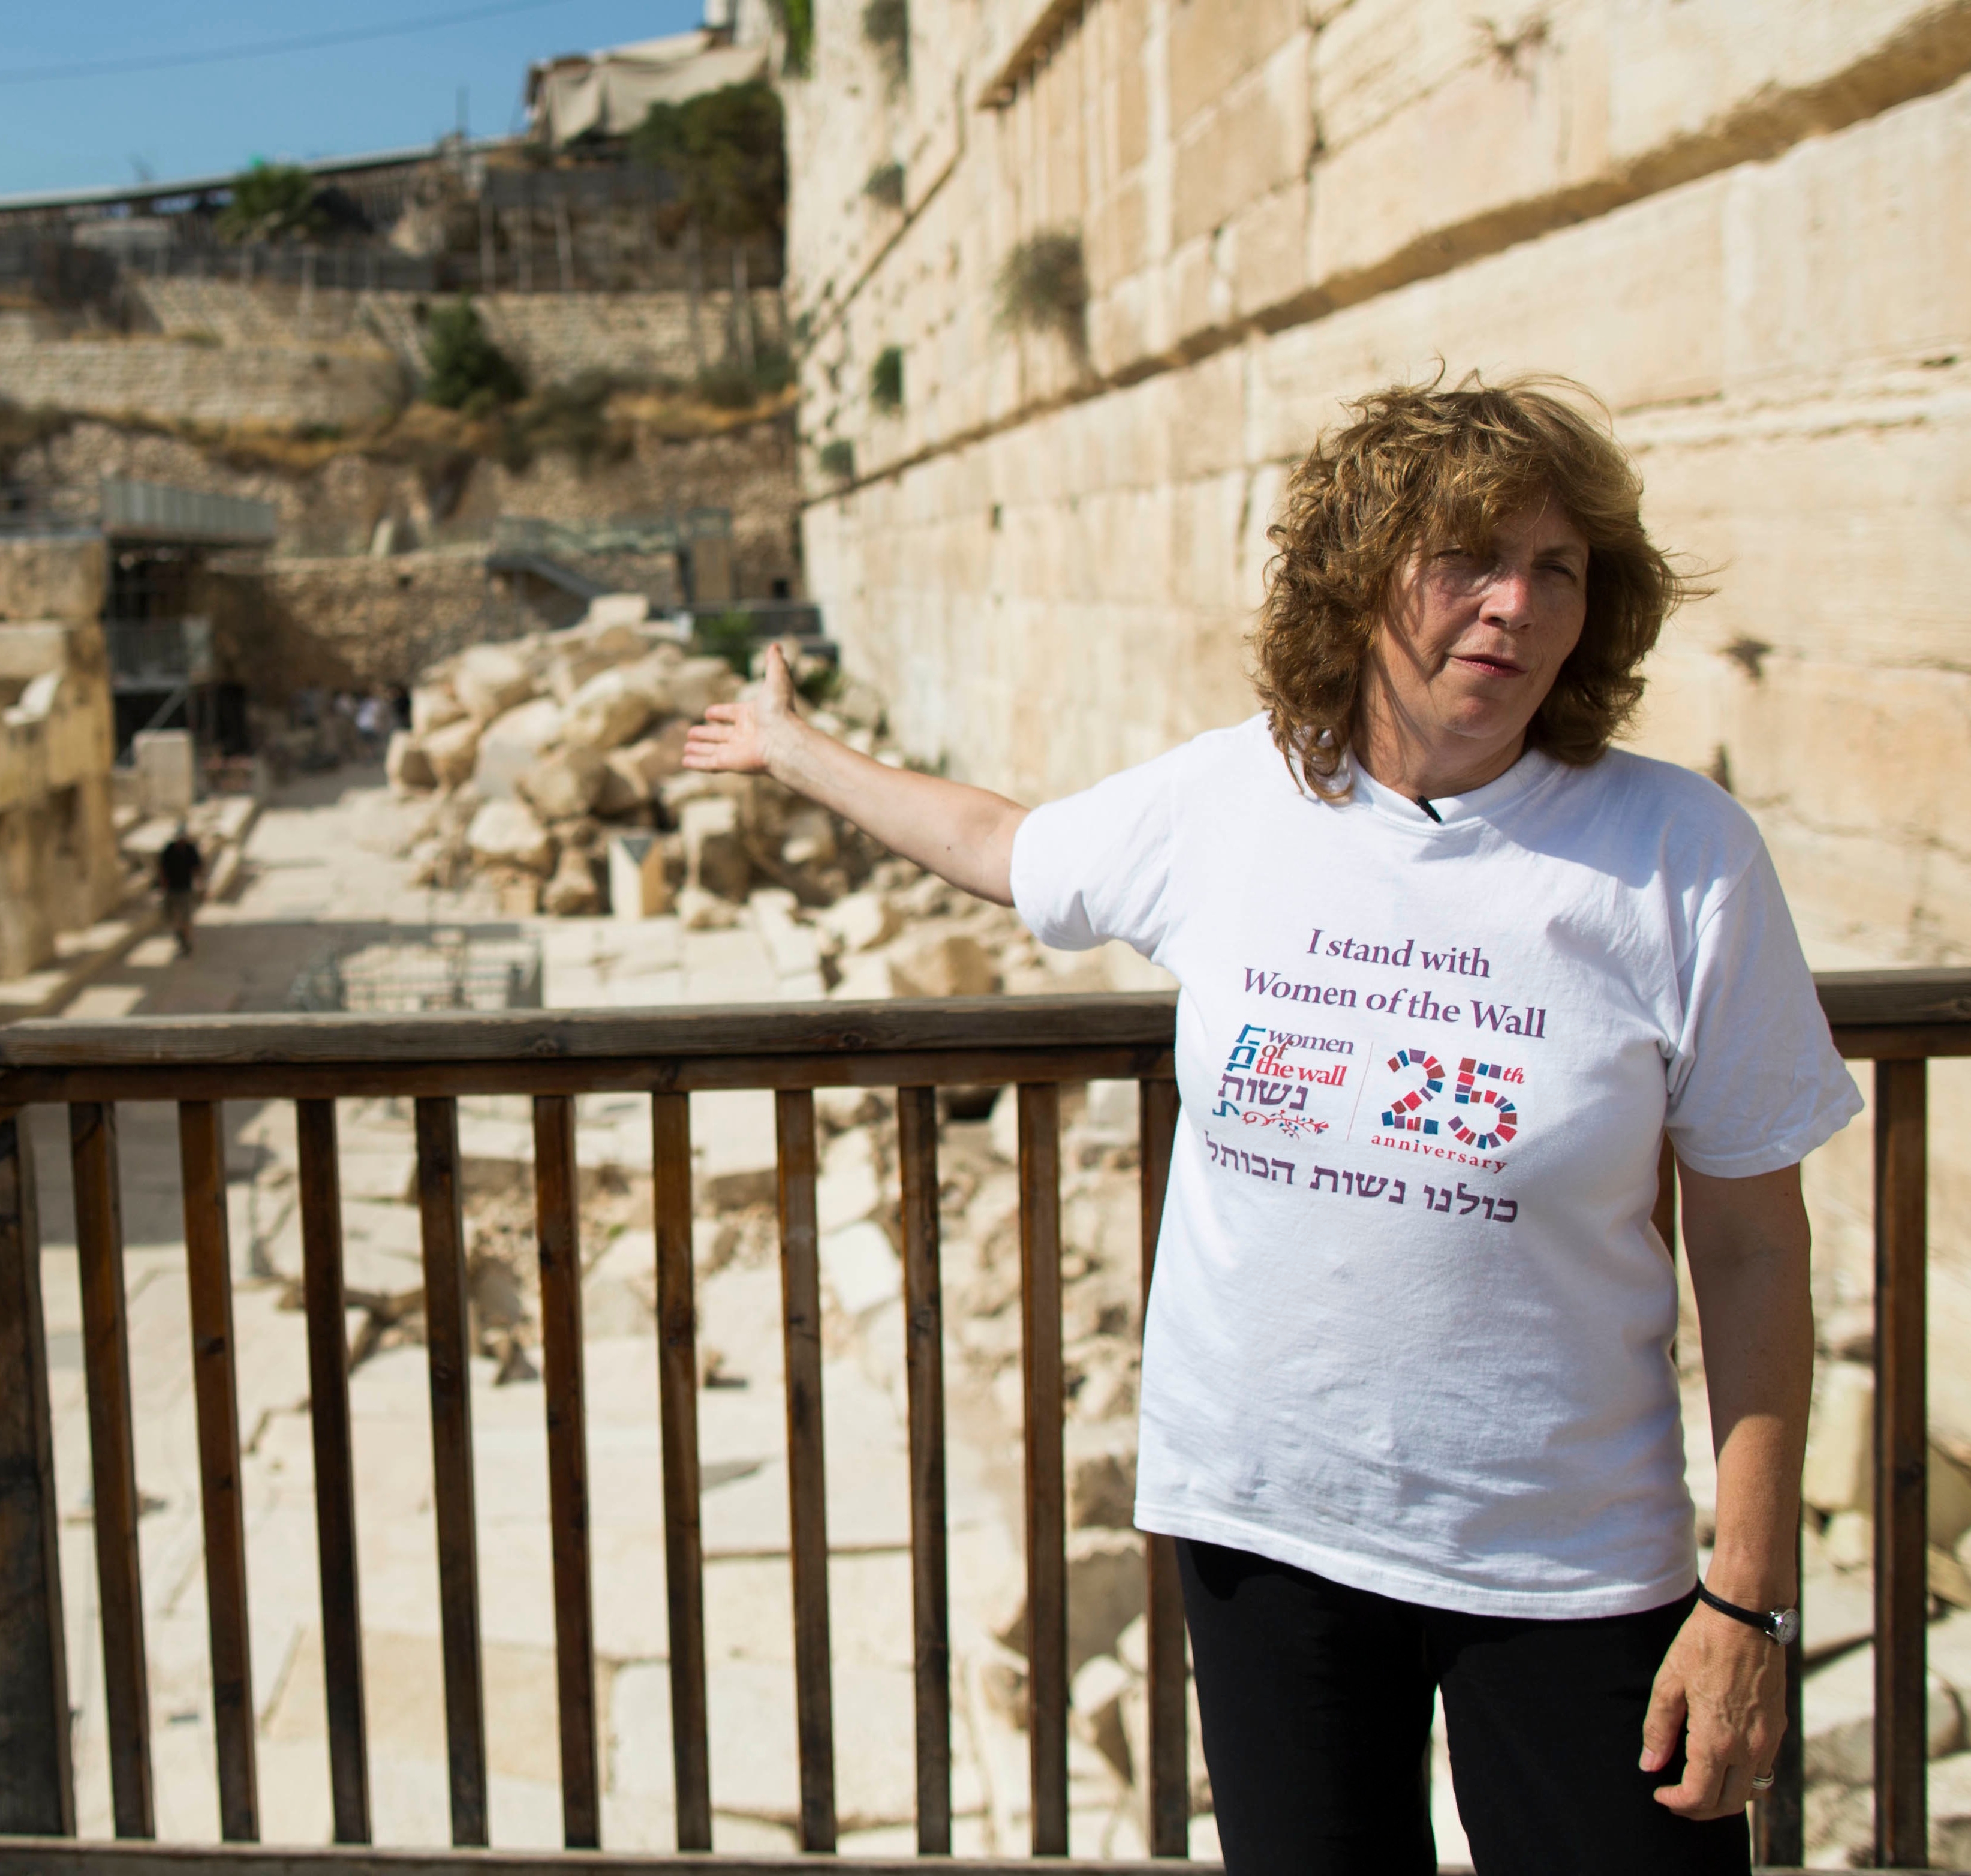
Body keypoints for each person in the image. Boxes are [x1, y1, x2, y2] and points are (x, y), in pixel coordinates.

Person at [684, 377, 1855, 1875]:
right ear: (1361, 576)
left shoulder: (1679, 854)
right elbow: (1005, 843)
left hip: (1567, 1561)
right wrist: (794, 747)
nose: (1513, 606)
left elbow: (1756, 1245)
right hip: (1264, 1530)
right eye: (1466, 559)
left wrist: (1746, 1597)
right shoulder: (1232, 796)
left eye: (1556, 568)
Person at [155, 824, 205, 958]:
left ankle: (186, 941)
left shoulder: (190, 850)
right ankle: (180, 936)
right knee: (172, 917)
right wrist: (163, 886)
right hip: (171, 889)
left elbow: (198, 868)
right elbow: (162, 869)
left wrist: (201, 886)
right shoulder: (169, 850)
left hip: (185, 890)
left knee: (186, 917)